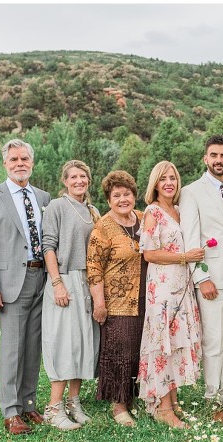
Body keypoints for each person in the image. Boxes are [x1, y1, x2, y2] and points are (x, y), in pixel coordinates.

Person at [0, 139, 51, 435]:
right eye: (14, 160)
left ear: (32, 163)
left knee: (34, 346)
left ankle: (28, 403)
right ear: (5, 164)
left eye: (25, 159)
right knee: (12, 348)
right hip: (9, 283)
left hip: (40, 279)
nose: (20, 164)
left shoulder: (43, 197)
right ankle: (10, 412)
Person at [179, 135, 223, 424]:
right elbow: (190, 238)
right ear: (205, 159)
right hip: (211, 278)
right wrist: (201, 277)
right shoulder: (191, 192)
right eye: (213, 155)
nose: (219, 160)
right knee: (214, 342)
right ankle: (212, 399)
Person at [138, 161, 204, 429]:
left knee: (175, 343)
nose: (169, 183)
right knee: (163, 343)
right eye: (163, 178)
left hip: (182, 287)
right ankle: (163, 407)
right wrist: (184, 257)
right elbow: (149, 253)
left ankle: (173, 401)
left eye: (173, 178)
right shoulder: (153, 212)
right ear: (154, 183)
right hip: (162, 288)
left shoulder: (178, 210)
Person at [40, 160, 101, 430]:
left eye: (83, 176)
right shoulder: (57, 207)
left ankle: (73, 403)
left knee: (83, 343)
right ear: (65, 181)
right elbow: (48, 246)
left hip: (89, 280)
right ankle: (53, 408)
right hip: (65, 278)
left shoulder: (92, 210)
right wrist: (57, 283)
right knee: (64, 343)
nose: (79, 181)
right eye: (73, 177)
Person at [87, 170, 146, 427]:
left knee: (139, 349)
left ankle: (135, 396)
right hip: (117, 299)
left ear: (134, 195)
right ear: (109, 200)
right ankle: (118, 404)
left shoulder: (144, 219)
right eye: (117, 195)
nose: (123, 199)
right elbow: (94, 268)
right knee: (120, 350)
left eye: (127, 194)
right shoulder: (103, 228)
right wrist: (99, 303)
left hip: (146, 296)